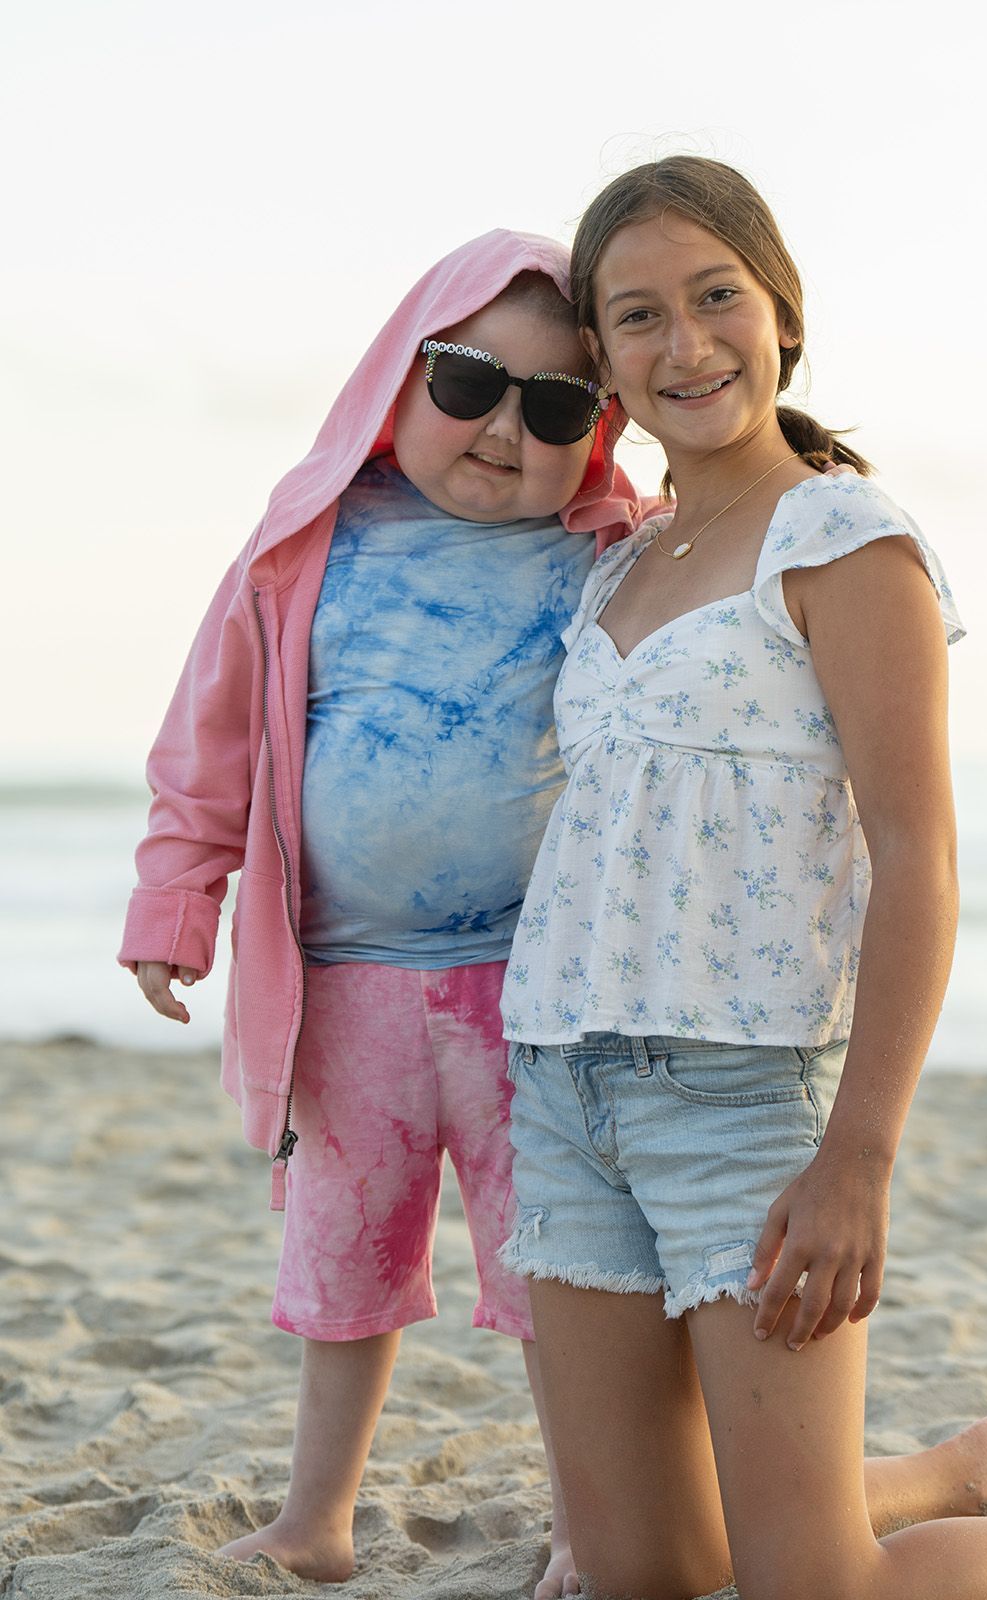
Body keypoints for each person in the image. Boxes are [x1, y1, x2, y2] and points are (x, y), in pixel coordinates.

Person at [497, 157, 987, 1600]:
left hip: (739, 1100)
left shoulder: (843, 539)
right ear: (599, 357)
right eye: (638, 316)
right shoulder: (616, 568)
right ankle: (959, 1467)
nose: (685, 344)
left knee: (814, 1585)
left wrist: (857, 1157)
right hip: (559, 1083)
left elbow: (917, 853)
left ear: (781, 313)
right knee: (635, 1572)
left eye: (716, 298)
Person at [117, 229, 643, 1598]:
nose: (504, 430)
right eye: (469, 383)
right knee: (342, 1259)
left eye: (556, 407)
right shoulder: (307, 547)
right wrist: (176, 899)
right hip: (344, 981)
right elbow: (213, 734)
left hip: (536, 992)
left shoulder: (607, 554)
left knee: (555, 1272)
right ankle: (317, 1519)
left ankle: (590, 1525)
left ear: (598, 430)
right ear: (397, 377)